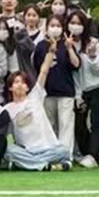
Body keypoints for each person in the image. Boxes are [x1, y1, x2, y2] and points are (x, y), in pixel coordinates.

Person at [3, 57, 72, 171]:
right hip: (27, 150)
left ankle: (27, 164)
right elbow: (4, 133)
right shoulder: (6, 109)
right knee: (9, 151)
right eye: (16, 82)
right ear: (10, 87)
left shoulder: (35, 97)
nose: (20, 85)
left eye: (23, 83)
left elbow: (43, 72)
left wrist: (50, 53)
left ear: (27, 87)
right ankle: (45, 165)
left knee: (65, 151)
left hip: (49, 148)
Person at [32, 15, 80, 160]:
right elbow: (37, 68)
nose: (55, 28)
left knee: (66, 126)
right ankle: (51, 155)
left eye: (58, 26)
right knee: (49, 126)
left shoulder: (67, 44)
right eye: (52, 25)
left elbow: (76, 64)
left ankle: (65, 156)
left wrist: (70, 48)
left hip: (66, 92)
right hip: (47, 93)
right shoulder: (41, 46)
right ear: (46, 27)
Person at [70, 10, 99, 168]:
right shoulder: (67, 44)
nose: (75, 26)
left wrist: (92, 57)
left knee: (97, 123)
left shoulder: (94, 43)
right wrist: (77, 95)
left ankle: (93, 155)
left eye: (79, 23)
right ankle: (86, 152)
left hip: (98, 87)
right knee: (79, 124)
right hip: (80, 91)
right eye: (72, 23)